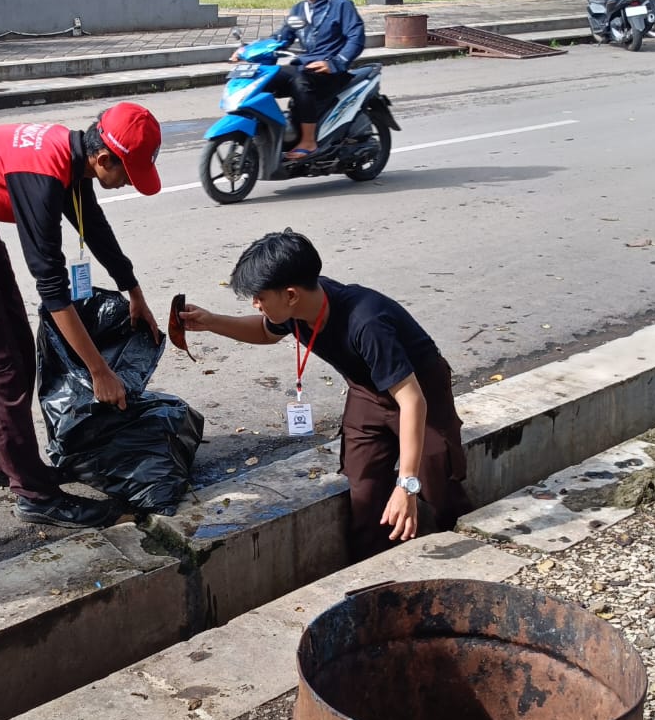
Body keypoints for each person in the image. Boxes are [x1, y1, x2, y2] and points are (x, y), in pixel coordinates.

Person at [0, 104, 166, 528]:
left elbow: (95, 229)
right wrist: (100, 371)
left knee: (15, 349)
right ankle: (35, 495)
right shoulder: (44, 177)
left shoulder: (71, 158)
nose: (125, 182)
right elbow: (53, 292)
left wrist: (134, 292)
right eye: (126, 173)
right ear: (103, 158)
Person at [177, 230, 470, 563]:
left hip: (420, 390)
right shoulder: (300, 306)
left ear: (289, 295)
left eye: (259, 297)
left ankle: (463, 540)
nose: (255, 305)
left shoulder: (367, 322)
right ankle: (376, 570)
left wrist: (406, 484)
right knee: (365, 493)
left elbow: (412, 401)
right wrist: (211, 322)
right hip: (366, 392)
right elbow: (263, 330)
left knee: (435, 482)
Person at [240, 0, 364, 159]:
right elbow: (281, 37)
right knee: (262, 77)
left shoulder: (341, 5)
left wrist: (334, 63)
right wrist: (248, 50)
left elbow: (356, 37)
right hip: (306, 66)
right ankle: (273, 131)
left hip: (330, 71)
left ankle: (308, 141)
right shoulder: (300, 9)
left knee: (300, 81)